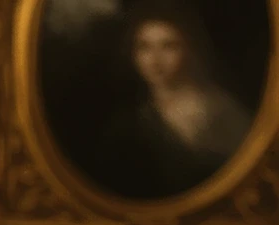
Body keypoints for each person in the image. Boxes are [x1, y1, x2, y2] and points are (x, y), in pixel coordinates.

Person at [100, 0, 252, 198]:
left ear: (189, 50)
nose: (155, 60)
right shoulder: (137, 117)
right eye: (144, 47)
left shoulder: (216, 108)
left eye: (169, 46)